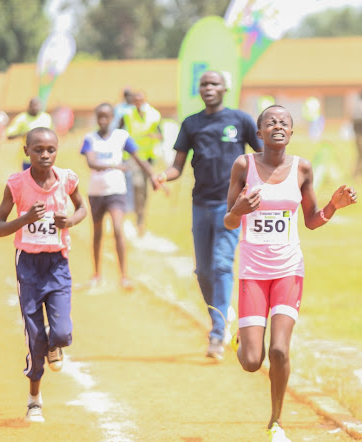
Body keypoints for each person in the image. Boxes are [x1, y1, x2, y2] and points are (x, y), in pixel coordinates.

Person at [223, 104, 357, 442]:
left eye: (284, 122)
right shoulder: (244, 165)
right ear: (260, 132)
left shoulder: (302, 168)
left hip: (288, 270)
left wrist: (333, 206)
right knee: (253, 362)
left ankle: (276, 421)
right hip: (253, 272)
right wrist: (238, 210)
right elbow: (228, 221)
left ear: (292, 133)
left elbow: (311, 220)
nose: (278, 125)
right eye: (271, 121)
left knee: (279, 350)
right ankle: (239, 336)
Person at [155, 70, 263, 360]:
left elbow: (262, 156)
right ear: (199, 90)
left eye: (214, 84)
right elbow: (178, 165)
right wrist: (164, 176)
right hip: (201, 204)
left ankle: (217, 334)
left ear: (225, 88)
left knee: (221, 265)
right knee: (203, 270)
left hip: (232, 205)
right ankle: (222, 311)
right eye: (203, 84)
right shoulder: (192, 124)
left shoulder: (240, 120)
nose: (208, 88)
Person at [0, 127, 87, 423]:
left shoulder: (67, 180)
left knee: (60, 333)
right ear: (26, 152)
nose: (45, 155)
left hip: (57, 263)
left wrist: (69, 221)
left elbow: (83, 208)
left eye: (50, 149)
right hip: (29, 266)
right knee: (35, 339)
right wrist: (25, 219)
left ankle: (56, 345)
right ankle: (34, 400)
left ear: (57, 151)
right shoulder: (17, 184)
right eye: (38, 150)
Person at [81, 103, 159, 289]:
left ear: (113, 117)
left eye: (106, 116)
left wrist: (154, 176)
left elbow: (139, 159)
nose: (102, 120)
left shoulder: (121, 136)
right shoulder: (90, 138)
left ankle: (124, 276)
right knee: (97, 233)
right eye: (99, 116)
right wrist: (116, 166)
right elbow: (91, 163)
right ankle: (97, 274)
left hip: (116, 191)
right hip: (96, 192)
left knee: (117, 228)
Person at [121, 91, 162, 236]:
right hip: (133, 157)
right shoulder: (127, 115)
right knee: (137, 185)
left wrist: (154, 136)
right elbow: (119, 132)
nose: (138, 103)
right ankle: (132, 216)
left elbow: (160, 134)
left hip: (148, 157)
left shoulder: (154, 115)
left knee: (144, 190)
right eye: (136, 101)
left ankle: (140, 219)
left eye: (141, 100)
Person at [5, 97, 53, 171]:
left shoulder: (46, 117)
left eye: (37, 106)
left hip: (44, 156)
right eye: (33, 106)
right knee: (28, 180)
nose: (35, 108)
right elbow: (9, 135)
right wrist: (24, 134)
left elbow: (51, 135)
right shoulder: (22, 118)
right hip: (28, 157)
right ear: (29, 106)